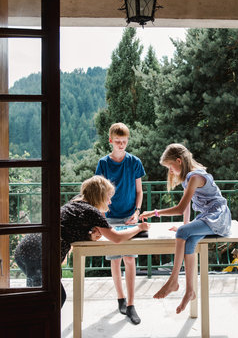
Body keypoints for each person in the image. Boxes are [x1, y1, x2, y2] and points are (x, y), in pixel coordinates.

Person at [14, 175, 149, 311]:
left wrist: (89, 236)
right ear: (99, 195)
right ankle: (39, 330)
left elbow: (69, 228)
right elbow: (116, 238)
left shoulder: (76, 202)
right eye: (108, 197)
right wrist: (139, 228)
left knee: (45, 299)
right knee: (51, 300)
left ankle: (39, 329)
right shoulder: (91, 211)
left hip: (29, 249)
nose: (109, 202)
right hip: (38, 254)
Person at [139, 143, 231, 314]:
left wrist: (154, 212)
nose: (170, 171)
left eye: (170, 167)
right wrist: (185, 224)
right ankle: (190, 290)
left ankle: (173, 280)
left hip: (218, 216)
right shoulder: (188, 178)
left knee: (183, 233)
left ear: (179, 161)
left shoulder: (195, 177)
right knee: (188, 239)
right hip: (207, 217)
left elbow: (180, 208)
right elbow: (187, 207)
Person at [95, 122, 146, 324]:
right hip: (109, 216)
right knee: (115, 260)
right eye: (118, 142)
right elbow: (98, 193)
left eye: (124, 142)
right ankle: (120, 299)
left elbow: (139, 191)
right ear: (110, 141)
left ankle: (132, 304)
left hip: (129, 217)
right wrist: (101, 217)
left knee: (130, 259)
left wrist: (137, 212)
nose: (121, 145)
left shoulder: (135, 162)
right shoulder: (103, 163)